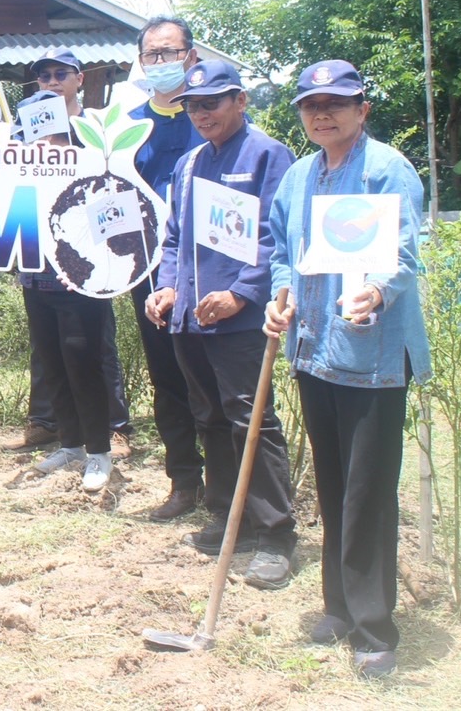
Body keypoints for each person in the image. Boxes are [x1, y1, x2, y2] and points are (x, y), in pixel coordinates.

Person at [264, 60, 432, 680]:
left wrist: (378, 291)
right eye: (311, 105)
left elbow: (406, 252)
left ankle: (372, 627)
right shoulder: (298, 178)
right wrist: (279, 296)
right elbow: (282, 253)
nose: (322, 113)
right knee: (333, 485)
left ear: (362, 109)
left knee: (367, 493)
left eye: (337, 103)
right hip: (314, 351)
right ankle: (337, 604)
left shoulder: (388, 168)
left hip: (373, 357)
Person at [145, 59, 298, 590]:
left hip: (241, 319)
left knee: (251, 419)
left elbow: (278, 235)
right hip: (190, 317)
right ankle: (227, 514)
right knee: (209, 415)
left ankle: (274, 534)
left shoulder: (269, 155)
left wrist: (242, 294)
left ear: (240, 101)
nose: (202, 112)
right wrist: (166, 288)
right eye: (193, 104)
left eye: (213, 101)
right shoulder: (188, 164)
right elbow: (173, 238)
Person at [1, 47, 135, 458]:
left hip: (87, 263)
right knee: (47, 349)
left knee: (95, 347)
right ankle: (53, 427)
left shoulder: (99, 133)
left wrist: (110, 256)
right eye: (44, 77)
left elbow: (119, 196)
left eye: (62, 74)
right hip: (36, 262)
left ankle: (113, 430)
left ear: (80, 78)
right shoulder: (18, 138)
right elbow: (0, 191)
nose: (53, 82)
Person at [125, 16, 210, 521]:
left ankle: (229, 482)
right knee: (167, 378)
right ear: (141, 62)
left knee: (217, 379)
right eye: (153, 55)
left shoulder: (210, 116)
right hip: (152, 271)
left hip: (214, 270)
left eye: (171, 53)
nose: (162, 62)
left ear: (191, 57)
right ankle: (184, 480)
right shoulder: (128, 127)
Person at [11, 91, 116, 492]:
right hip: (35, 280)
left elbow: (111, 223)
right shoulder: (19, 171)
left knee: (83, 364)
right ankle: (70, 445)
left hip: (81, 283)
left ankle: (99, 453)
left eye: (49, 133)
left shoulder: (91, 164)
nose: (41, 144)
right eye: (32, 136)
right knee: (51, 363)